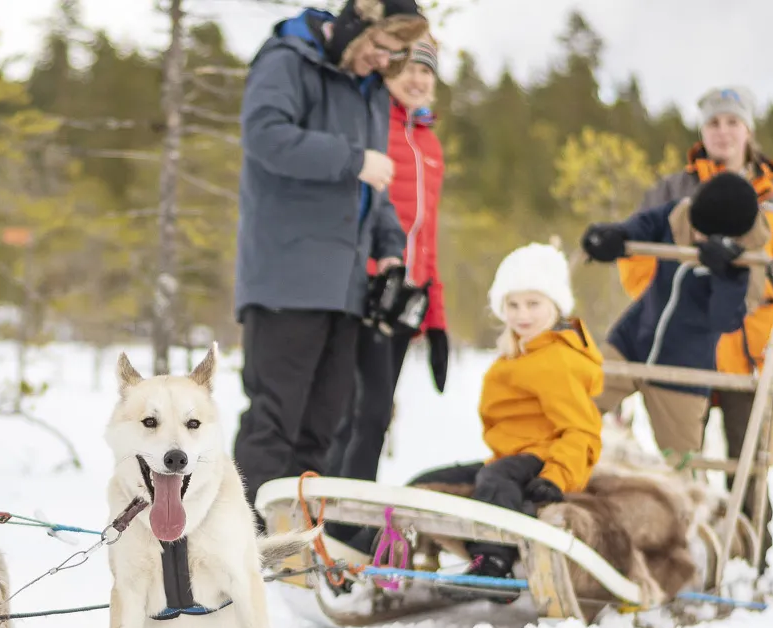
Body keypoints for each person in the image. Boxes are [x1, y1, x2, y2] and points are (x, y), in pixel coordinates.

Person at [231, 0, 428, 522]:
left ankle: (292, 543)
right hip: (287, 279)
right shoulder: (288, 59)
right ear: (353, 26)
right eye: (378, 47)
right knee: (274, 420)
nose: (383, 61)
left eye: (395, 54)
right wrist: (352, 159)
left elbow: (375, 188)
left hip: (344, 285)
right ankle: (240, 542)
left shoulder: (368, 91)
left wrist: (388, 248)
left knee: (324, 423)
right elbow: (265, 135)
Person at [618, 85, 773, 570]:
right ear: (702, 132)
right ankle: (681, 546)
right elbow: (639, 260)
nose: (723, 132)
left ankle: (751, 557)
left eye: (732, 122)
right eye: (714, 123)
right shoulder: (671, 192)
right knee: (680, 457)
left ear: (748, 130)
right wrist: (660, 312)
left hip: (750, 351)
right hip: (682, 345)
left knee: (747, 461)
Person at [402, 243, 602, 580]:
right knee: (424, 483)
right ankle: (386, 551)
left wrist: (556, 476)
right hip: (509, 457)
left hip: (543, 456)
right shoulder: (515, 355)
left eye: (533, 304)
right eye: (513, 304)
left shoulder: (558, 360)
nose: (523, 314)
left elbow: (582, 430)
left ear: (555, 305)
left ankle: (494, 562)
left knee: (496, 477)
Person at [326, 36, 450, 486]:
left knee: (376, 416)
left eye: (426, 71)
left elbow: (427, 240)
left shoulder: (431, 146)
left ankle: (348, 521)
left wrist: (436, 320)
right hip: (361, 292)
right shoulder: (374, 126)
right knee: (354, 412)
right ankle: (324, 518)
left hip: (402, 301)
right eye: (407, 69)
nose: (417, 79)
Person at [580, 172, 767, 458]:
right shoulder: (681, 213)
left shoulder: (750, 263)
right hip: (631, 341)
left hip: (683, 371)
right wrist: (618, 236)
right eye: (694, 225)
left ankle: (690, 500)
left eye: (703, 234)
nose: (694, 235)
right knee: (575, 408)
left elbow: (725, 320)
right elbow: (648, 223)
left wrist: (728, 277)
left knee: (681, 464)